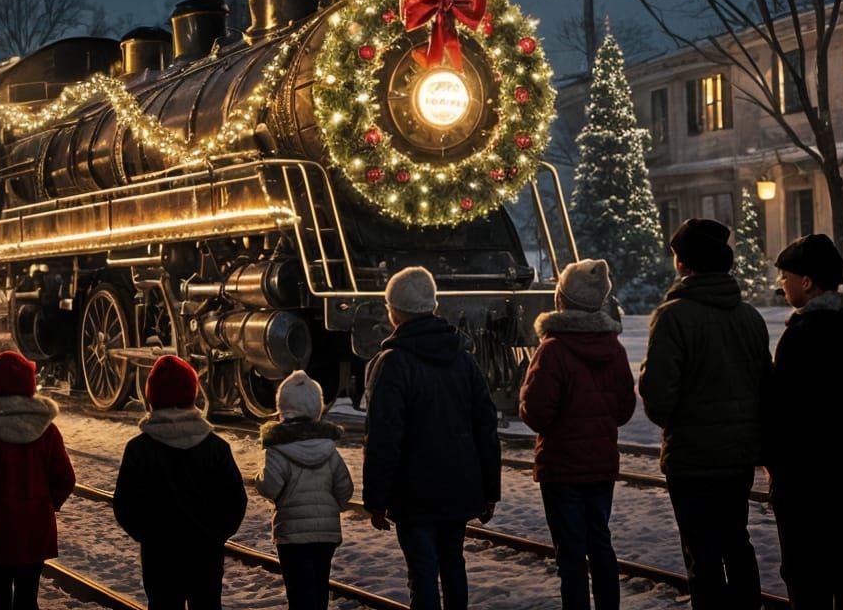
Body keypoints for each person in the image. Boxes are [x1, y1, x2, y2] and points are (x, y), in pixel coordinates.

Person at [639, 218, 772, 608]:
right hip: (739, 455)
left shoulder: (673, 316)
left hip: (692, 458)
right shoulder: (750, 317)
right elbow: (766, 385)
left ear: (684, 263)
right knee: (737, 540)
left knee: (702, 553)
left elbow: (659, 395)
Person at [363, 266, 500, 610]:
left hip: (413, 494)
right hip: (459, 485)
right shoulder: (464, 359)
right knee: (453, 563)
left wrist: (376, 499)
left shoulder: (392, 364)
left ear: (394, 311)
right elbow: (486, 426)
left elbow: (383, 437)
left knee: (422, 573)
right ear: (433, 306)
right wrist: (490, 489)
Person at [764, 234, 843, 608]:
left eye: (786, 275)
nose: (781, 283)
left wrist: (775, 462)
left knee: (806, 573)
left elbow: (782, 408)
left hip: (805, 479)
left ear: (807, 281)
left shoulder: (801, 335)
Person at [518, 259, 636, 610]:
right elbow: (625, 409)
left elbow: (536, 413)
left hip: (561, 468)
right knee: (600, 541)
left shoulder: (552, 350)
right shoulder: (614, 348)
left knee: (570, 553)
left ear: (561, 300)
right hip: (601, 465)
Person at [113, 354, 247, 610]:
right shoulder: (216, 448)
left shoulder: (138, 449)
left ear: (152, 397)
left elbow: (125, 505)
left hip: (159, 556)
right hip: (205, 554)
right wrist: (215, 535)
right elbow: (235, 501)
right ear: (192, 395)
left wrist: (149, 536)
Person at [0, 350, 76, 610]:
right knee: (27, 598)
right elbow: (66, 479)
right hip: (35, 530)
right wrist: (45, 506)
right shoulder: (48, 432)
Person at [255, 369, 353, 610]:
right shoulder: (329, 449)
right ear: (316, 408)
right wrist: (332, 508)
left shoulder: (278, 449)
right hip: (326, 534)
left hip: (292, 535)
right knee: (319, 588)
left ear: (282, 408)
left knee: (299, 593)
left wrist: (258, 478)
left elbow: (271, 486)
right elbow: (345, 488)